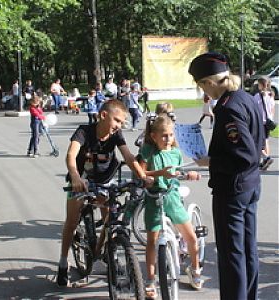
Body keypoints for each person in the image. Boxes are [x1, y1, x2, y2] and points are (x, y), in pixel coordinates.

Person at [188, 52, 264, 300]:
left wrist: (210, 161)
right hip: (250, 185)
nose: (202, 92)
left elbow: (244, 155)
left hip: (233, 188)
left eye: (201, 86)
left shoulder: (228, 108)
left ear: (208, 82)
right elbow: (259, 140)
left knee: (232, 254)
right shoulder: (245, 98)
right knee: (247, 251)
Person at [56, 99, 153, 287]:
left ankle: (103, 254)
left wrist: (142, 176)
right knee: (72, 221)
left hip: (105, 180)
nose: (119, 126)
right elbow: (70, 155)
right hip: (81, 179)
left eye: (122, 123)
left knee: (110, 219)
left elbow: (128, 156)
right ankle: (62, 262)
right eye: (117, 121)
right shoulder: (84, 131)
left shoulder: (116, 136)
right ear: (103, 116)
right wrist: (75, 177)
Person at [138, 115, 203, 299]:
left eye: (171, 135)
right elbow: (141, 172)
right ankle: (150, 280)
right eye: (164, 136)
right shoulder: (148, 151)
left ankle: (195, 268)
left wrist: (189, 174)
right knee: (151, 240)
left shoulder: (175, 152)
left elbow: (179, 171)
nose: (168, 139)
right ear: (154, 136)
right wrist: (155, 175)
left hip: (172, 198)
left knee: (190, 237)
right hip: (154, 199)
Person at [254, 76, 275, 170]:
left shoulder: (258, 96)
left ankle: (266, 158)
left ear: (261, 85)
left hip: (260, 121)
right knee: (266, 140)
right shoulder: (271, 95)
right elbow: (272, 109)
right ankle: (265, 159)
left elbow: (253, 108)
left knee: (258, 141)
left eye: (258, 84)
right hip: (269, 121)